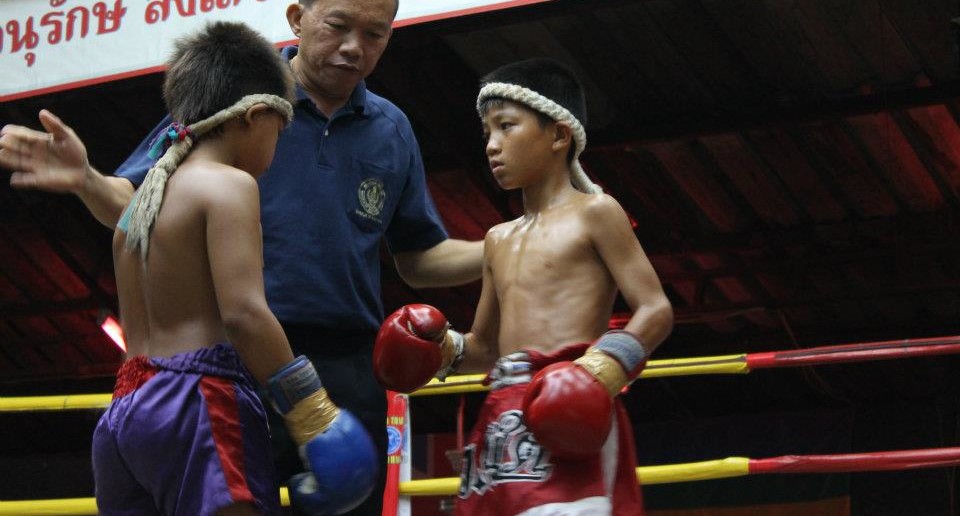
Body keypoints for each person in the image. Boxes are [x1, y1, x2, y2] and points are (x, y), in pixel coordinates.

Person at [0, 1, 484, 514]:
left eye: (374, 34)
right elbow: (227, 294)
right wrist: (88, 181)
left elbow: (143, 215)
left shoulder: (391, 129)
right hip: (237, 359)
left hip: (164, 385)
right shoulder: (236, 100)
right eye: (338, 26)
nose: (353, 47)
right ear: (297, 18)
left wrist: (500, 247)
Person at [33, 21, 376, 515]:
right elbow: (244, 314)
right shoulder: (229, 185)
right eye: (280, 132)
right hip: (198, 401)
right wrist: (312, 411)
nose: (275, 152)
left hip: (126, 411)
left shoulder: (141, 203)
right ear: (256, 116)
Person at [372, 58, 674, 515]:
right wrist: (437, 347)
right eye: (487, 133)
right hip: (502, 417)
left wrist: (601, 373)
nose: (492, 146)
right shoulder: (498, 239)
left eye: (507, 127)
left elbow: (655, 309)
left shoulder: (596, 212)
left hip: (572, 404)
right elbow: (486, 347)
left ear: (558, 134)